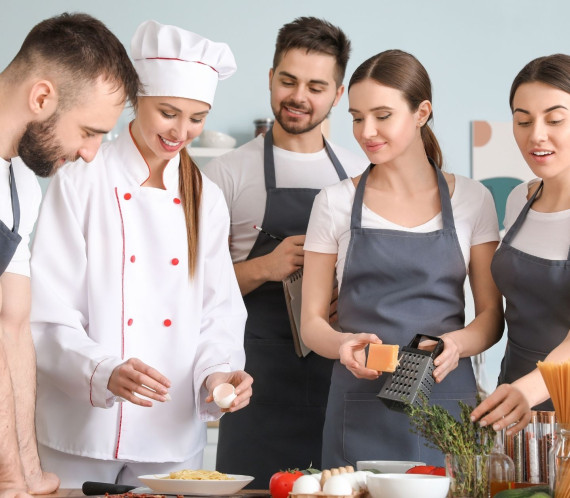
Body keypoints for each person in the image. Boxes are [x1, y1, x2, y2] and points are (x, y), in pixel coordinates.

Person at [30, 20, 252, 487]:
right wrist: (103, 370)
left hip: (168, 433)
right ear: (137, 100)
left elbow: (218, 311)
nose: (181, 131)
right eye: (168, 112)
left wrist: (218, 376)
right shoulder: (80, 178)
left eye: (197, 118)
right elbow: (47, 307)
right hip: (80, 430)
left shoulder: (205, 197)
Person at [301, 49, 505, 467]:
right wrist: (343, 344)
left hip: (446, 398)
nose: (366, 131)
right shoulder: (334, 203)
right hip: (359, 401)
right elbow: (311, 325)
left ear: (421, 112)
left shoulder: (471, 199)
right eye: (357, 117)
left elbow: (491, 318)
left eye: (382, 115)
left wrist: (454, 344)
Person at [202, 17, 368, 487]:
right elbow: (192, 288)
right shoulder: (225, 174)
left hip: (340, 381)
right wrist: (265, 267)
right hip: (255, 387)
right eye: (288, 80)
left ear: (337, 95)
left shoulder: (360, 173)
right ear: (271, 78)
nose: (299, 96)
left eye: (316, 86)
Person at [0, 12, 139, 498]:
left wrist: (26, 475)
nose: (91, 153)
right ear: (42, 97)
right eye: (89, 131)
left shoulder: (20, 182)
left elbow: (12, 325)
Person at [471, 54, 570, 435]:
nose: (536, 135)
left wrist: (526, 391)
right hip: (513, 403)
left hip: (543, 399)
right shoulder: (518, 199)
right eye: (523, 120)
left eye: (555, 119)